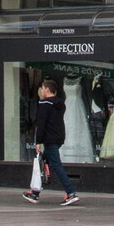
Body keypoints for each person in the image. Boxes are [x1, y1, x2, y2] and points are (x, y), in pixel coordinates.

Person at [22, 78, 81, 207]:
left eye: (42, 88)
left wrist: (38, 141)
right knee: (44, 163)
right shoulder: (60, 104)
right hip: (58, 137)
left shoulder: (44, 104)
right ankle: (35, 192)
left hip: (49, 139)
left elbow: (41, 124)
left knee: (55, 164)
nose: (41, 91)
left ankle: (70, 192)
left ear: (47, 89)